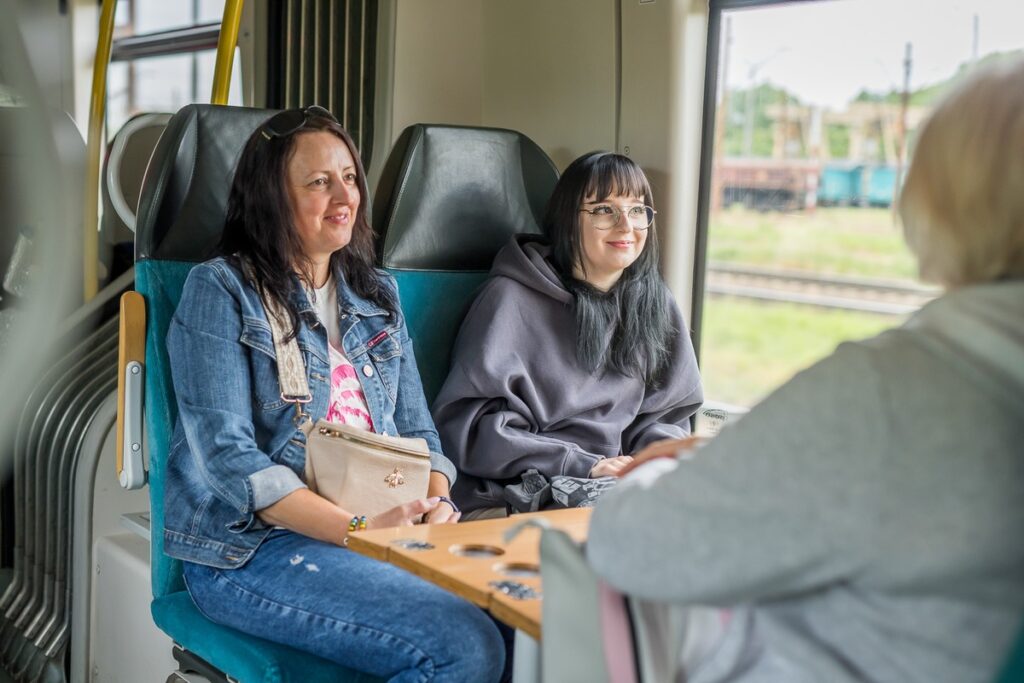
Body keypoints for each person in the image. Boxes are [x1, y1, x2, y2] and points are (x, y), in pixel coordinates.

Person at [587, 58, 1024, 683]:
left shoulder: (888, 395)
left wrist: (662, 468)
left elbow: (634, 545)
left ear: (937, 202)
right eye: (604, 210)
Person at [162, 106, 505, 682]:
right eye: (318, 182)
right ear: (272, 197)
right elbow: (231, 463)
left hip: (381, 528)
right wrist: (361, 532)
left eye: (348, 178)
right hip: (252, 551)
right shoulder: (221, 290)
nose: (343, 196)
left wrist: (437, 505)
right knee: (462, 648)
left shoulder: (379, 297)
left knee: (526, 628)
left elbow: (420, 436)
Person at [433, 152, 703, 516]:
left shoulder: (656, 304)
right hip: (516, 491)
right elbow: (470, 432)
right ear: (568, 220)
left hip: (613, 485)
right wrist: (580, 465)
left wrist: (648, 466)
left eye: (637, 210)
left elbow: (665, 418)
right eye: (604, 210)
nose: (626, 226)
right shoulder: (509, 300)